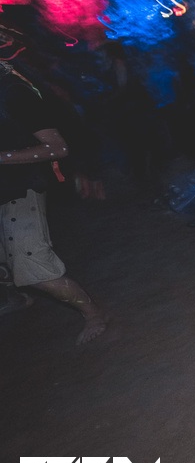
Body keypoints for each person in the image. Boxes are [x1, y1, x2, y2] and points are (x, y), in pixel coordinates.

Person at [0, 58, 108, 345]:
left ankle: (93, 313)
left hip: (19, 192)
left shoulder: (12, 91)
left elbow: (57, 148)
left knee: (35, 270)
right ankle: (15, 298)